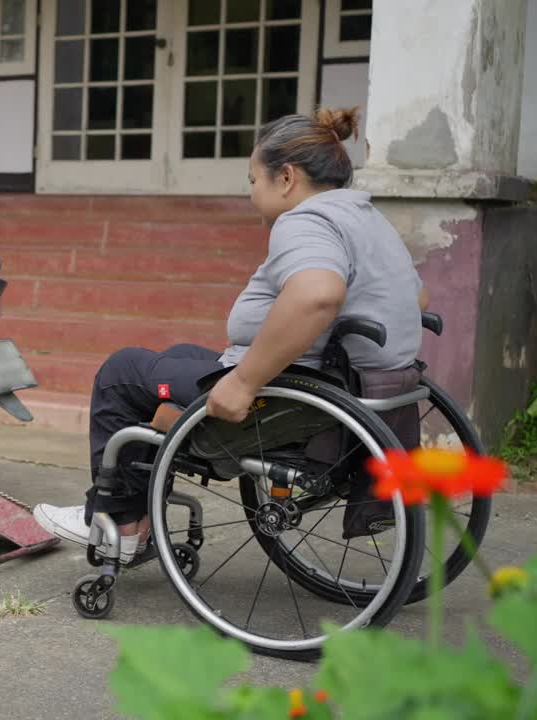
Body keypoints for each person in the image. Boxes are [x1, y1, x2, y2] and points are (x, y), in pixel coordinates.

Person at [31, 107, 430, 563]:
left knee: (121, 374)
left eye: (252, 180)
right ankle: (138, 497)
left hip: (293, 395)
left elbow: (318, 294)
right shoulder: (367, 216)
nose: (251, 194)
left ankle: (121, 525)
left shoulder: (307, 220)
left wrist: (242, 382)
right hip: (360, 387)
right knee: (179, 355)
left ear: (286, 178)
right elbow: (417, 301)